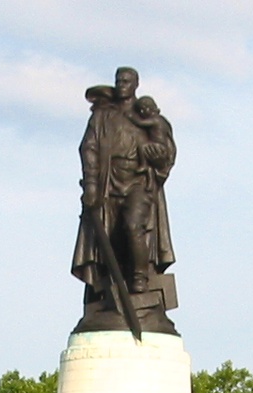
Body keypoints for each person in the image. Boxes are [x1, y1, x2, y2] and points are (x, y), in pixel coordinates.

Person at [73, 66, 176, 298]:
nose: (122, 85)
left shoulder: (145, 115)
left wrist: (159, 157)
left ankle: (140, 278)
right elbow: (88, 147)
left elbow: (166, 151)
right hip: (107, 183)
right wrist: (90, 184)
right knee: (108, 238)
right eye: (119, 81)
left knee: (132, 225)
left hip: (138, 182)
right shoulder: (102, 116)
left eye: (127, 81)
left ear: (135, 85)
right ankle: (109, 290)